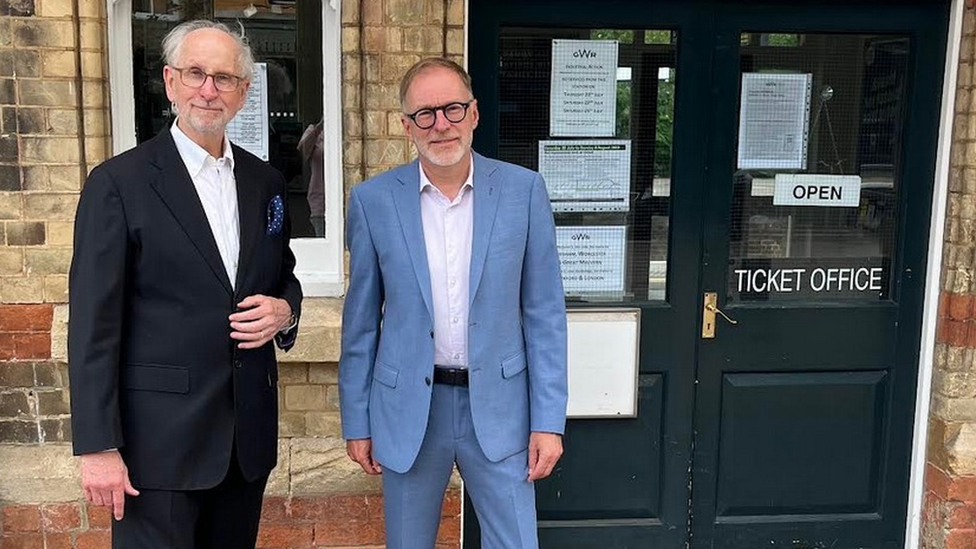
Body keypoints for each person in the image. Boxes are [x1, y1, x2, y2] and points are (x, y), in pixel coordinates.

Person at [68, 20, 302, 549]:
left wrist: (285, 310)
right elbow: (93, 325)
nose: (208, 90)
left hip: (245, 442)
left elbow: (283, 273)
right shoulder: (118, 183)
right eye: (196, 73)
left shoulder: (264, 181)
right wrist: (98, 447)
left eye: (224, 78)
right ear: (171, 82)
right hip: (157, 448)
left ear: (245, 92)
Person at [339, 57, 568, 549]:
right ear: (406, 126)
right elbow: (359, 325)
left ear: (475, 113)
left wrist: (549, 421)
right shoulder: (372, 202)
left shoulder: (523, 191)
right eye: (425, 113)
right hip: (409, 412)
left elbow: (545, 314)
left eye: (453, 109)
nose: (441, 124)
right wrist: (357, 421)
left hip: (503, 408)